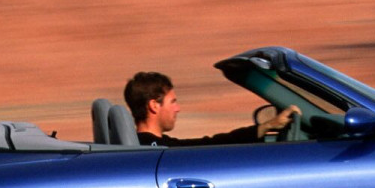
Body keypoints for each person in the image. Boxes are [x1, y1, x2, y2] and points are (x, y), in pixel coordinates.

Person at [125, 71, 300, 147]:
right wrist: (266, 127)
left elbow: (207, 144)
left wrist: (265, 127)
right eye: (173, 102)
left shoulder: (147, 145)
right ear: (154, 105)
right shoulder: (155, 149)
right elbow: (209, 144)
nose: (178, 108)